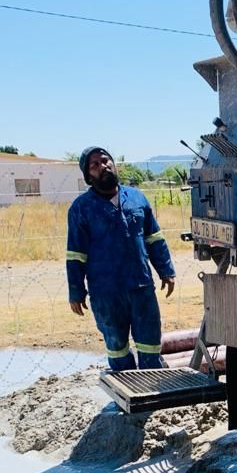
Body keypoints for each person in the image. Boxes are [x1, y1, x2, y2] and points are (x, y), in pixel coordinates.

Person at [66, 146, 176, 371]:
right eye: (94, 165)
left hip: (141, 286)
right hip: (106, 292)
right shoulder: (81, 209)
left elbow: (154, 238)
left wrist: (166, 270)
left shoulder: (137, 198)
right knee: (117, 348)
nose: (102, 166)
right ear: (88, 176)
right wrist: (76, 291)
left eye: (105, 161)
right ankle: (127, 399)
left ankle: (150, 394)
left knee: (150, 345)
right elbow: (76, 255)